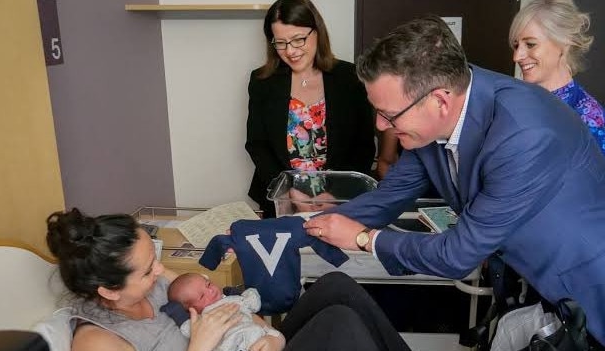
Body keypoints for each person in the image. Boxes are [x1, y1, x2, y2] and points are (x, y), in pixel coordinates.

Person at [303, 15, 605, 346]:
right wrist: (299, 229)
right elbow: (387, 198)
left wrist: (364, 239)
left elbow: (458, 254)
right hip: (540, 284)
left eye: (389, 114)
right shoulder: (431, 114)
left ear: (441, 101)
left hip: (591, 286)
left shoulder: (524, 134)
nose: (380, 125)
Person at [46, 208, 413, 351]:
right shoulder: (97, 341)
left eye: (154, 260)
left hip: (249, 343)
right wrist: (200, 346)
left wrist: (265, 335)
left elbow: (220, 300)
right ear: (108, 289)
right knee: (341, 324)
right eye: (147, 271)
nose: (160, 271)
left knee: (335, 286)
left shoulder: (153, 283)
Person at [245, 0, 376, 218]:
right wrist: (287, 191)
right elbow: (257, 145)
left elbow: (363, 146)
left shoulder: (349, 77)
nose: (290, 51)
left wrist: (335, 194)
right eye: (280, 43)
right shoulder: (262, 81)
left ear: (317, 32)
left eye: (298, 40)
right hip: (282, 202)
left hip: (340, 202)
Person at [510, 0, 605, 155]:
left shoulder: (588, 119)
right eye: (516, 46)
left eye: (530, 44)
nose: (516, 56)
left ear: (564, 43)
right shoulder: (514, 100)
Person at [163, 273, 279, 351]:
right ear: (190, 310)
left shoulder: (230, 299)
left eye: (208, 284)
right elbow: (187, 328)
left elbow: (252, 303)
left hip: (260, 337)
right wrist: (177, 313)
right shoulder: (200, 320)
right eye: (202, 296)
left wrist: (242, 294)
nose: (211, 291)